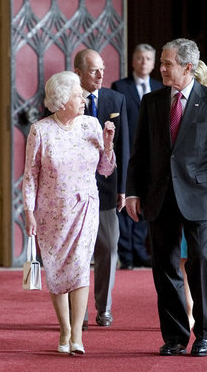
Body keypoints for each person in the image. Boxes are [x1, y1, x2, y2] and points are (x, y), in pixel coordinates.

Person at [126, 38, 207, 357]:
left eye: (167, 64)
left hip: (201, 196)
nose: (161, 68)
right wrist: (134, 192)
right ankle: (176, 337)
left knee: (201, 262)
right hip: (159, 196)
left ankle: (204, 333)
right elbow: (139, 154)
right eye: (161, 63)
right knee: (164, 267)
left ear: (188, 68)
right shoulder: (151, 102)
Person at [22, 71, 116, 354]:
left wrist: (108, 145)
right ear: (62, 101)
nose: (84, 99)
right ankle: (64, 329)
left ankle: (77, 335)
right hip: (50, 213)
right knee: (56, 271)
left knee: (79, 268)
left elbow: (106, 169)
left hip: (85, 207)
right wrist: (29, 212)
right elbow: (30, 176)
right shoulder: (40, 130)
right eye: (78, 95)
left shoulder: (90, 125)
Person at [73, 49, 130, 326]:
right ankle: (79, 311)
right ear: (78, 73)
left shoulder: (115, 98)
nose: (100, 74)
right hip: (73, 193)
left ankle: (103, 308)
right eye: (94, 70)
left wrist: (124, 189)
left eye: (102, 69)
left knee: (108, 248)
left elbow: (125, 146)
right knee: (78, 252)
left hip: (107, 189)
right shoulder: (64, 101)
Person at [111, 43, 163, 270]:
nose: (144, 62)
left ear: (154, 64)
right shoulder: (120, 86)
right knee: (124, 202)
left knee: (146, 203)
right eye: (140, 58)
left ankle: (141, 251)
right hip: (127, 154)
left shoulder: (161, 87)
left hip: (152, 156)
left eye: (148, 59)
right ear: (133, 62)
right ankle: (127, 254)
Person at [179, 58, 207, 329]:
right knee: (180, 256)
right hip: (175, 194)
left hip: (203, 197)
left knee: (201, 257)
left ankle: (200, 311)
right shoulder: (170, 105)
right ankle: (188, 307)